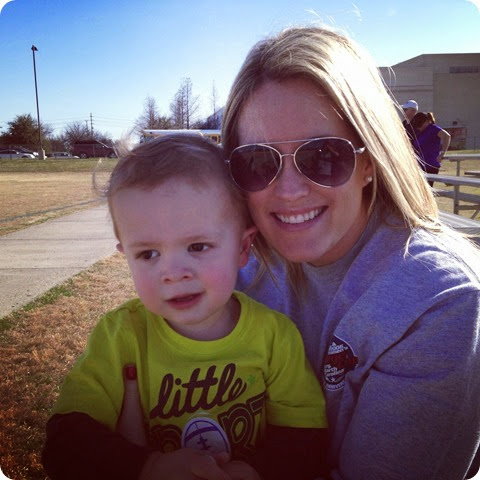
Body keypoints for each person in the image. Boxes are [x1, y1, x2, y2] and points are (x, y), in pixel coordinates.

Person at [221, 25, 480, 480]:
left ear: (368, 161)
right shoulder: (235, 269)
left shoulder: (438, 300)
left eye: (323, 155)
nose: (289, 190)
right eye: (258, 161)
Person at [42, 134, 328, 480]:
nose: (173, 273)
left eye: (197, 247)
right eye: (148, 254)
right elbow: (65, 442)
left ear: (242, 248)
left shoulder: (275, 337)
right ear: (126, 257)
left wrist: (254, 471)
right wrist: (147, 467)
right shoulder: (120, 338)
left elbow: (305, 435)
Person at [411, 111, 451, 186]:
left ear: (427, 121)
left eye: (420, 125)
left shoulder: (433, 129)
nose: (419, 127)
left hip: (430, 165)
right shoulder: (419, 132)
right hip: (420, 165)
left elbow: (447, 136)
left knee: (427, 187)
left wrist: (442, 153)